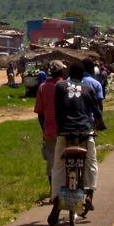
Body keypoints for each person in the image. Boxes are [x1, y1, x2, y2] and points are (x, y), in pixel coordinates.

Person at [49, 61, 99, 225]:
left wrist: (61, 125)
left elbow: (57, 110)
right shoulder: (89, 88)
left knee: (58, 166)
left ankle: (56, 199)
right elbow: (97, 113)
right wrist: (100, 125)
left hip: (65, 132)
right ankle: (90, 194)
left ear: (68, 73)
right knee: (91, 161)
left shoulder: (60, 86)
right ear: (84, 74)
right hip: (85, 132)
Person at [32, 61, 64, 190]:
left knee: (51, 160)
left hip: (49, 130)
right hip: (65, 129)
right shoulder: (66, 85)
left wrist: (44, 130)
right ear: (61, 71)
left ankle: (53, 190)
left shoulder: (43, 87)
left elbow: (40, 113)